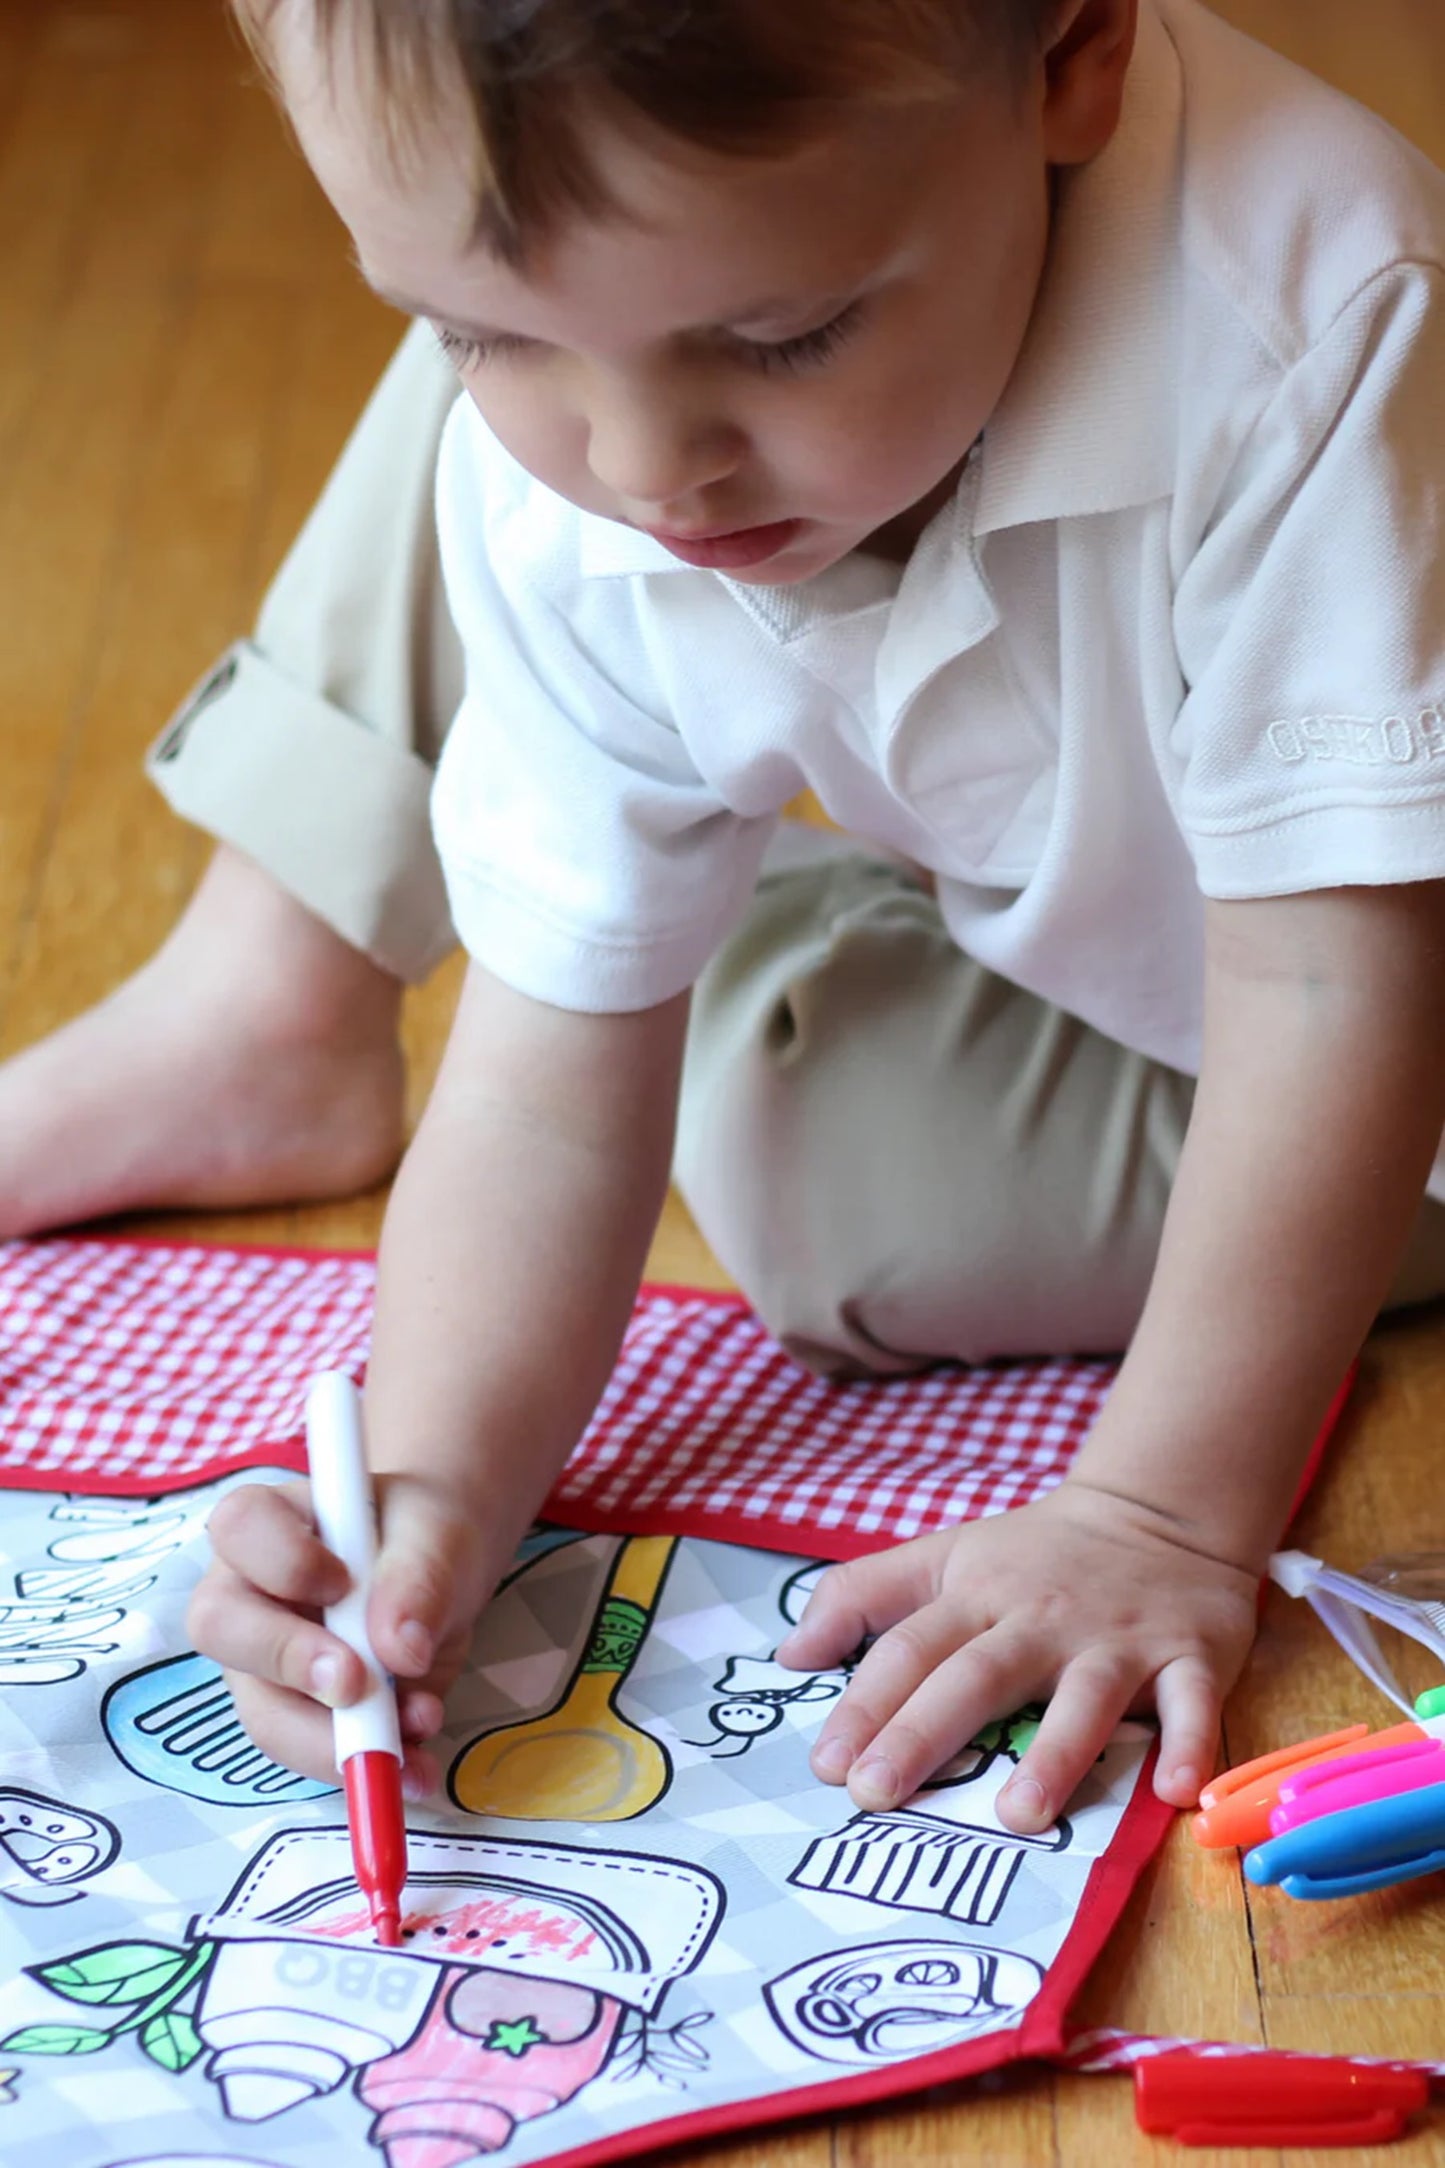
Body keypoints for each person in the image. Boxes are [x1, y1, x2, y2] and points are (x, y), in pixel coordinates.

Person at [9, 0, 1445, 1839]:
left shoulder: (1323, 315)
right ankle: (306, 963)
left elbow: (1341, 984)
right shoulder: (610, 422)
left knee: (828, 1175)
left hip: (1393, 1036)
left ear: (1072, 52)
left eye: (781, 335)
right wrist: (437, 1489)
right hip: (1098, 915)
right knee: (641, 963)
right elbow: (539, 1083)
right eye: (476, 334)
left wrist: (1154, 1515)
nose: (639, 467)